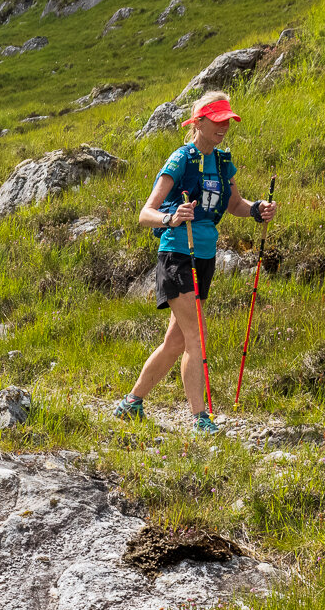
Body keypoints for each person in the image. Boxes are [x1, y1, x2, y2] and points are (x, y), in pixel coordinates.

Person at [112, 91, 275, 434]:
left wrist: (258, 209)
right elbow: (146, 214)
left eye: (227, 121)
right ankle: (200, 418)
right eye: (217, 121)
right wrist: (172, 217)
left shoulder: (223, 160)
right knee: (196, 336)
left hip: (204, 257)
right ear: (198, 122)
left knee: (176, 342)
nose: (224, 127)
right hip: (176, 254)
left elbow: (234, 205)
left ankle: (131, 403)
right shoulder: (180, 160)